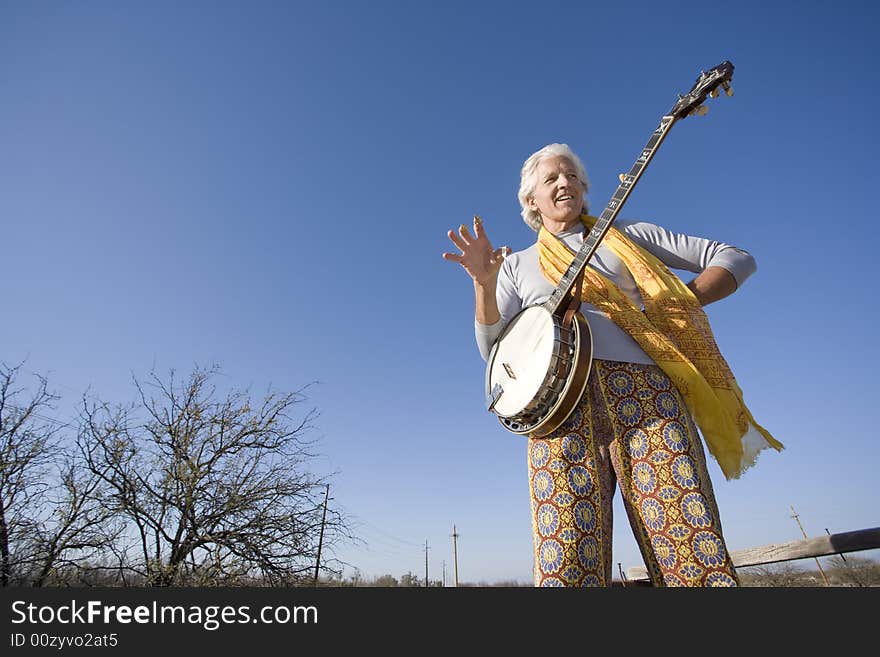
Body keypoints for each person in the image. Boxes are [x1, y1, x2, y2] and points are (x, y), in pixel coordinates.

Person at [442, 143, 783, 587]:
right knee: (565, 561)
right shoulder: (515, 266)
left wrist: (679, 302)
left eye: (573, 177)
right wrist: (484, 286)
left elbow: (737, 257)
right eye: (552, 179)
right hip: (557, 414)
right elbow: (493, 353)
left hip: (648, 400)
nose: (565, 183)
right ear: (531, 201)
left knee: (688, 545)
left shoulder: (628, 236)